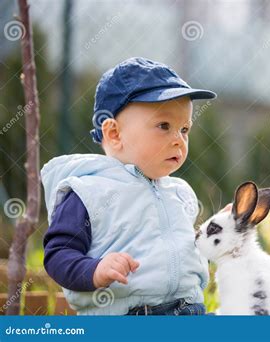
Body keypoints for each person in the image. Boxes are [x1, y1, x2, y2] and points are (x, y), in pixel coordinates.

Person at [42, 57, 217, 315]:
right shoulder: (88, 192)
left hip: (190, 310)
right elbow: (58, 253)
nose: (179, 140)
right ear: (114, 133)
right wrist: (94, 270)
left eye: (184, 129)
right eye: (164, 126)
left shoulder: (178, 192)